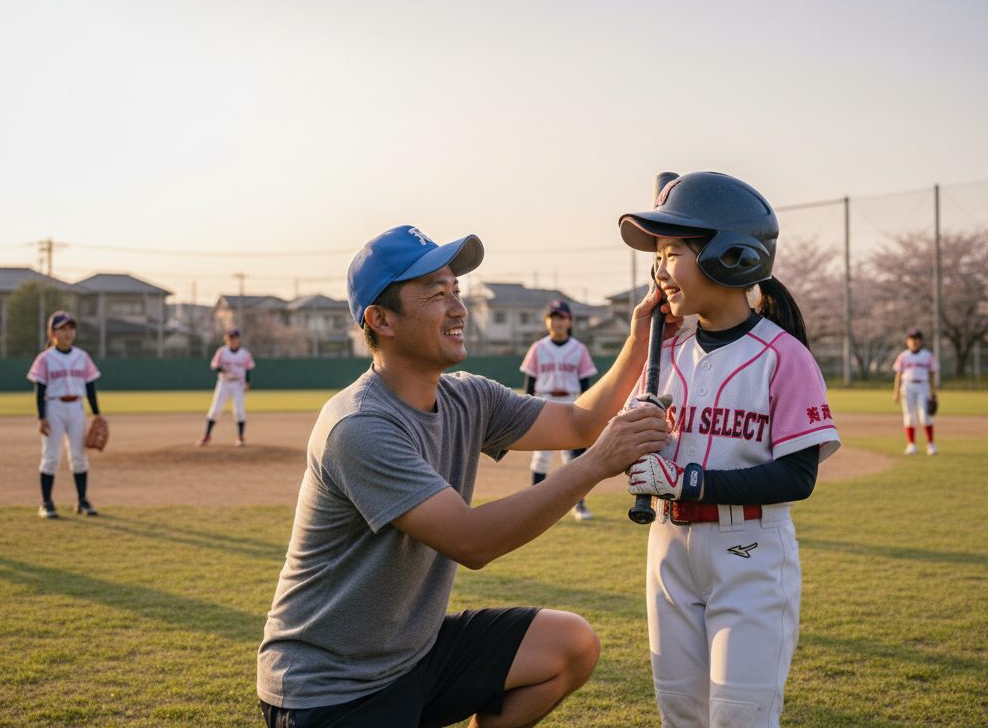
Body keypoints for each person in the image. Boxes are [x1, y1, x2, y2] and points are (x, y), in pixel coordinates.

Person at [257, 225, 671, 728]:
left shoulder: (467, 396)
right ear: (380, 319)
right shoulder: (359, 425)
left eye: (456, 290)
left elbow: (581, 422)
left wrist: (638, 339)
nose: (458, 308)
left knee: (569, 645)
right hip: (330, 690)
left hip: (415, 658)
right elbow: (472, 542)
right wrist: (596, 464)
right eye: (436, 293)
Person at [617, 171, 841, 728]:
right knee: (681, 715)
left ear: (730, 255)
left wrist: (688, 481)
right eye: (658, 254)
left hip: (749, 551)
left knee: (740, 717)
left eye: (672, 252)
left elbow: (797, 477)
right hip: (668, 549)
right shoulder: (666, 352)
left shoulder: (783, 356)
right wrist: (633, 441)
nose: (658, 270)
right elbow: (624, 449)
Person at [520, 299, 599, 521]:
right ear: (547, 322)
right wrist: (527, 408)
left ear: (569, 321)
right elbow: (530, 383)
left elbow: (585, 386)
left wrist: (585, 412)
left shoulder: (579, 349)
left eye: (561, 318)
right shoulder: (538, 348)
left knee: (574, 458)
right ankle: (534, 506)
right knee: (541, 457)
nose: (557, 322)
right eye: (553, 318)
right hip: (542, 402)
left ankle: (579, 505)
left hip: (569, 402)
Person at [27, 311, 103, 519]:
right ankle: (46, 502)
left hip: (77, 408)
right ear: (52, 333)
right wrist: (41, 417)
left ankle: (82, 500)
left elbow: (90, 386)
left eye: (71, 328)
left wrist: (97, 413)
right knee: (51, 456)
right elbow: (40, 390)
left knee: (79, 456)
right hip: (54, 408)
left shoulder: (82, 356)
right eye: (62, 329)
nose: (68, 333)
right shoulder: (45, 358)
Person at [198, 327, 256, 447]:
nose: (233, 340)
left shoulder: (244, 354)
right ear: (227, 339)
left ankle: (240, 437)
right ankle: (207, 435)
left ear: (238, 339)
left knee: (239, 411)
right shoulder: (222, 352)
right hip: (224, 383)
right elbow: (215, 366)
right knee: (215, 409)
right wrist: (223, 370)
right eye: (231, 338)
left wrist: (247, 383)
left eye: (235, 338)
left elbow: (248, 369)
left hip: (238, 384)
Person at [892, 328, 939, 455]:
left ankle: (931, 444)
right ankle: (911, 444)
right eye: (911, 339)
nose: (914, 341)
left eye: (916, 339)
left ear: (921, 341)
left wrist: (934, 392)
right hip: (907, 386)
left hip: (923, 386)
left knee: (925, 416)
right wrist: (896, 392)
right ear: (907, 341)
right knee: (909, 416)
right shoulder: (903, 356)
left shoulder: (927, 355)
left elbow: (932, 375)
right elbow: (898, 374)